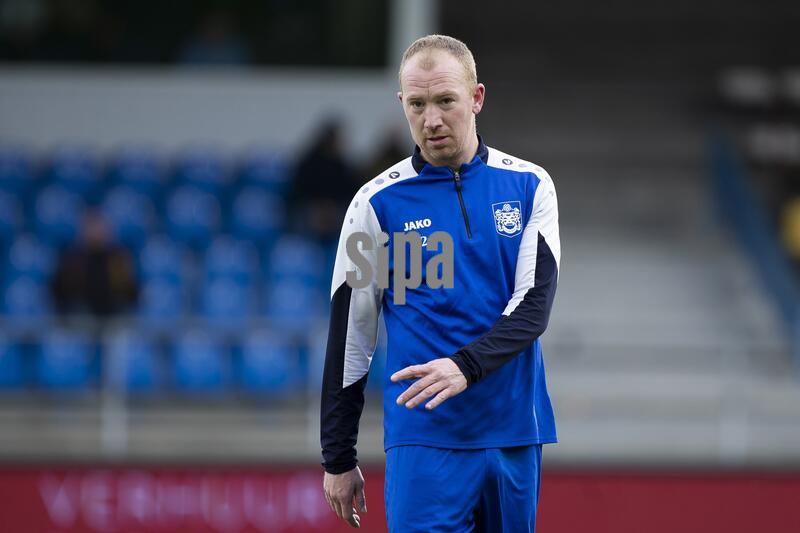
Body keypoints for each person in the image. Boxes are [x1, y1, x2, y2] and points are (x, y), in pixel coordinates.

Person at [320, 34, 561, 532]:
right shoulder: (374, 205)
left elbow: (533, 308)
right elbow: (353, 336)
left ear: (476, 98)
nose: (431, 119)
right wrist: (338, 456)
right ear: (402, 104)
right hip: (423, 439)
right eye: (417, 104)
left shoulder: (530, 185)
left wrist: (464, 367)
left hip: (513, 432)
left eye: (445, 100)